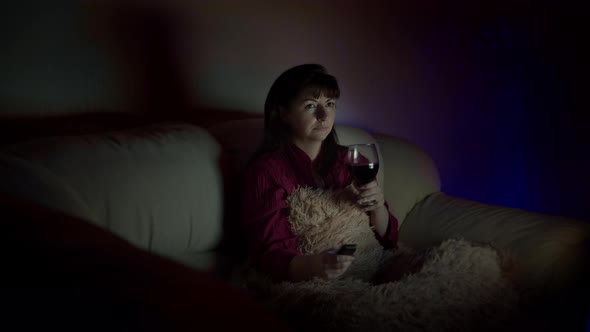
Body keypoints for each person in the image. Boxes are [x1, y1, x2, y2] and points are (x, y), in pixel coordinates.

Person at [240, 64, 399, 282]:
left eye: (330, 104)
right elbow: (269, 254)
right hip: (312, 281)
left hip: (372, 265)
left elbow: (389, 239)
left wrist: (378, 206)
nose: (324, 115)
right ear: (283, 113)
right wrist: (316, 266)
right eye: (310, 105)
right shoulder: (265, 172)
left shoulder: (351, 160)